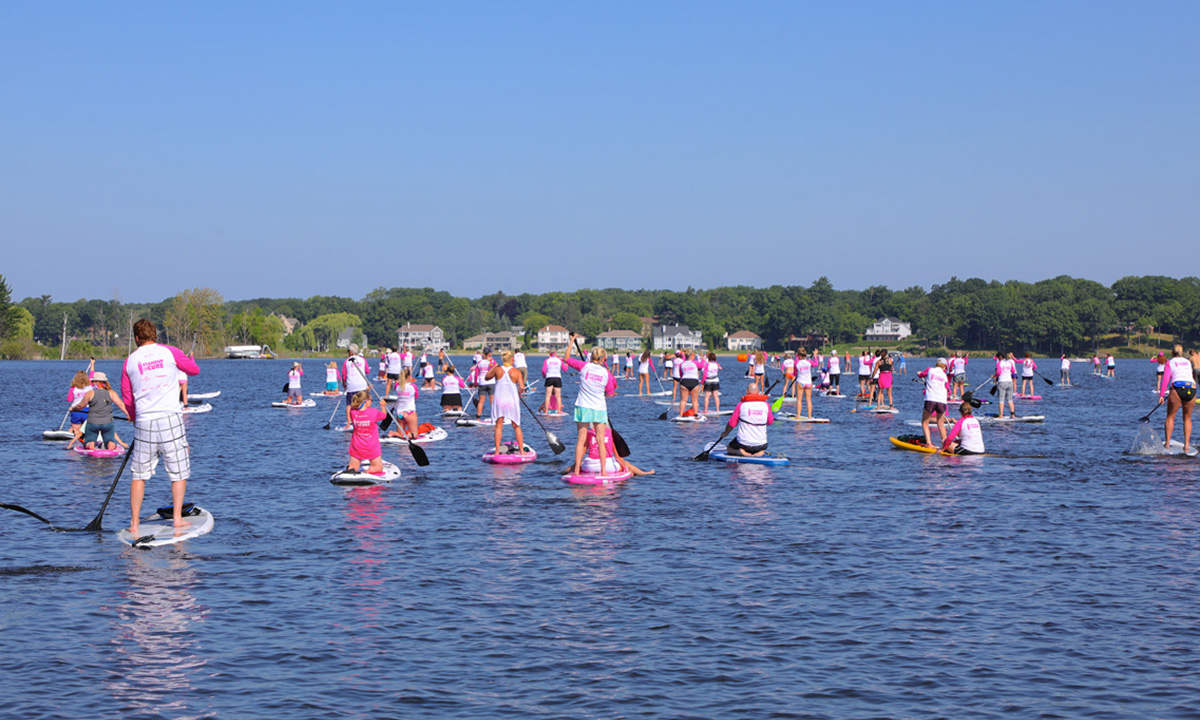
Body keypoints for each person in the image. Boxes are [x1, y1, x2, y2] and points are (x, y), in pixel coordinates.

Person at [120, 318, 201, 536]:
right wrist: (187, 357)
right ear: (154, 335)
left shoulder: (129, 361)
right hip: (170, 419)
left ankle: (134, 523)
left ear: (137, 338)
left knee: (139, 474)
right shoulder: (170, 352)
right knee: (178, 470)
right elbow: (194, 370)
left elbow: (127, 397)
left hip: (144, 421)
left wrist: (134, 417)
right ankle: (176, 519)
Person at [563, 335, 618, 477]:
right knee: (601, 440)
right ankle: (604, 471)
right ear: (602, 359)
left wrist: (571, 341)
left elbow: (567, 359)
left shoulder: (584, 366)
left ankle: (576, 470)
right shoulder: (606, 373)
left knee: (581, 439)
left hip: (583, 407)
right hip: (599, 408)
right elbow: (610, 393)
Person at [712, 382, 774, 457]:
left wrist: (725, 433)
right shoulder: (766, 405)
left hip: (743, 444)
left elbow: (732, 423)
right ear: (758, 392)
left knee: (729, 448)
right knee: (760, 447)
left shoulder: (741, 405)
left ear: (747, 392)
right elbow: (770, 422)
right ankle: (760, 452)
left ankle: (742, 452)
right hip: (762, 444)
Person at [486, 350, 525, 455]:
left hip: (499, 400)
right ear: (512, 359)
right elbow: (522, 387)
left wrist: (494, 367)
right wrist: (520, 391)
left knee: (498, 426)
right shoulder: (516, 372)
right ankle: (521, 450)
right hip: (511, 400)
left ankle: (497, 451)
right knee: (516, 425)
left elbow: (487, 376)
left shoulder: (497, 370)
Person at [78, 371, 130, 451]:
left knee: (89, 440)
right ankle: (110, 444)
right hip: (107, 423)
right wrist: (129, 415)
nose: (92, 383)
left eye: (92, 381)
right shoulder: (111, 393)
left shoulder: (90, 393)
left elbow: (81, 405)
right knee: (109, 440)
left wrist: (73, 408)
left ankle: (90, 444)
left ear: (96, 382)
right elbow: (121, 405)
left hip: (93, 422)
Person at [1158, 345, 1195, 454]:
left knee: (1170, 416)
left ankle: (1168, 443)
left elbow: (1166, 378)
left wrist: (1161, 395)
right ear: (1182, 352)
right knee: (1187, 418)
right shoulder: (1188, 362)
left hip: (1177, 388)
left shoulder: (1170, 362)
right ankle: (1187, 446)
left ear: (1172, 352)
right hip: (1191, 388)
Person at [581, 425, 653, 476]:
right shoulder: (610, 433)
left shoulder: (589, 433)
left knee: (579, 463)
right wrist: (625, 468)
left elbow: (583, 452)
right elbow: (618, 455)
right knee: (627, 464)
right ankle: (645, 473)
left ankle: (570, 471)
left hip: (589, 467)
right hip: (607, 467)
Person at [347, 391, 388, 475]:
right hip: (371, 446)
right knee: (378, 467)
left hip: (357, 446)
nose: (372, 402)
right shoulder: (374, 412)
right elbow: (384, 415)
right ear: (366, 401)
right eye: (371, 400)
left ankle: (352, 469)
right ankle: (370, 470)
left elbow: (353, 407)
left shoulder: (352, 412)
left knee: (352, 466)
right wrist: (383, 406)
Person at [917, 358, 951, 447]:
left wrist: (919, 373)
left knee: (925, 422)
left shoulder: (930, 370)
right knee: (940, 424)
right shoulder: (945, 376)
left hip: (931, 399)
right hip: (942, 401)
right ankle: (945, 443)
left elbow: (920, 375)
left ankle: (928, 443)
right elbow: (947, 389)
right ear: (944, 367)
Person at [66, 362, 94, 449]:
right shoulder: (90, 386)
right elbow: (92, 375)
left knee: (76, 431)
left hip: (76, 411)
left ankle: (75, 445)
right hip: (87, 411)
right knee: (86, 430)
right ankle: (86, 444)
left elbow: (69, 399)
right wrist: (92, 364)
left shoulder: (73, 388)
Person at [342, 344, 370, 428]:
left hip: (351, 386)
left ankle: (348, 423)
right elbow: (367, 371)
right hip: (362, 385)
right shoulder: (363, 360)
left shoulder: (346, 361)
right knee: (362, 403)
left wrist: (344, 383)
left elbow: (344, 375)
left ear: (350, 352)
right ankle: (364, 420)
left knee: (349, 405)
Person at [386, 370, 420, 439]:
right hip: (410, 413)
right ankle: (410, 435)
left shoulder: (397, 386)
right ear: (409, 377)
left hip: (400, 414)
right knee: (415, 434)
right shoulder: (413, 386)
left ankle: (393, 433)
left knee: (400, 434)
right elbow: (416, 396)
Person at [676, 349, 706, 417]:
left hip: (684, 381)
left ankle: (680, 415)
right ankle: (696, 415)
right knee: (695, 401)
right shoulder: (695, 362)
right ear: (692, 355)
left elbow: (681, 374)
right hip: (694, 381)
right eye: (694, 355)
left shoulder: (682, 364)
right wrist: (703, 359)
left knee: (683, 400)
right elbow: (702, 366)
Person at [472, 348, 497, 419]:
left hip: (482, 383)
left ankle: (478, 417)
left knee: (481, 401)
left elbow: (476, 374)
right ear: (489, 354)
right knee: (492, 401)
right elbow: (496, 370)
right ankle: (494, 417)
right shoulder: (492, 362)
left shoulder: (479, 362)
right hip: (491, 382)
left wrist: (475, 383)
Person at [993, 352, 1018, 419]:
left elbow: (998, 372)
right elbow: (1013, 371)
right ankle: (1012, 415)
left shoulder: (999, 363)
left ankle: (1001, 415)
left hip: (1002, 382)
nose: (997, 359)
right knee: (1010, 399)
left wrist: (994, 376)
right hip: (1010, 382)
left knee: (1001, 400)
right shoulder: (1009, 362)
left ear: (1000, 357)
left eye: (998, 357)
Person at [793, 349, 814, 419]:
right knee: (808, 400)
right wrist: (816, 356)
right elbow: (816, 363)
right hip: (808, 383)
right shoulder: (809, 362)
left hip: (800, 382)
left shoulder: (797, 363)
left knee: (799, 400)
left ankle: (798, 416)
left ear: (799, 356)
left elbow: (794, 374)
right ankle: (810, 416)